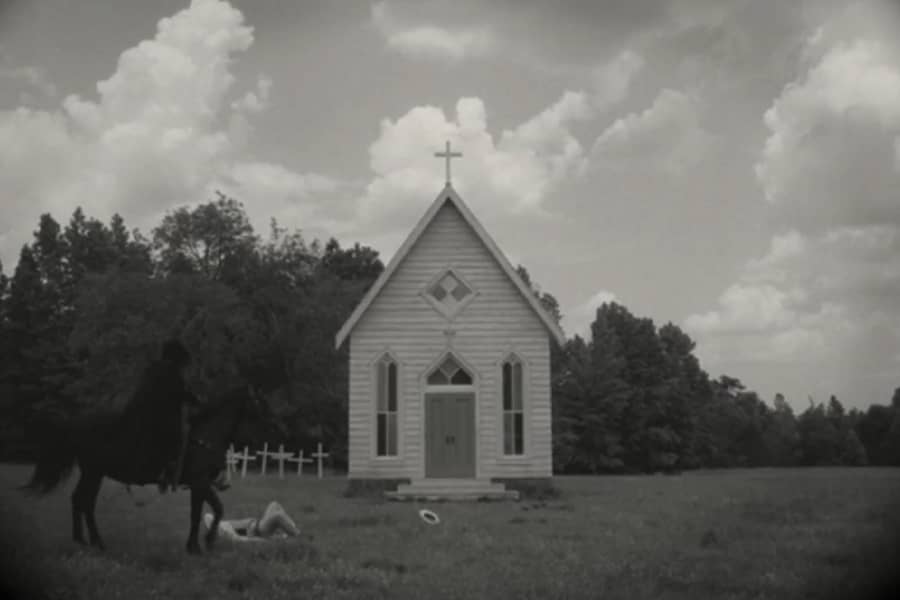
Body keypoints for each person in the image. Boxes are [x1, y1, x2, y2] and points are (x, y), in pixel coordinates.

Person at [122, 338, 228, 493]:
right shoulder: (170, 371)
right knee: (177, 436)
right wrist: (198, 402)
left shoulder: (153, 368)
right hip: (151, 416)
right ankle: (167, 470)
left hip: (138, 412)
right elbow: (181, 393)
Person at [203, 501, 300, 542]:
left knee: (274, 504)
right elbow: (244, 538)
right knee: (277, 516)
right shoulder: (225, 530)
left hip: (257, 523)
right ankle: (296, 534)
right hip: (259, 530)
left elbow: (207, 516)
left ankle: (290, 528)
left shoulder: (224, 524)